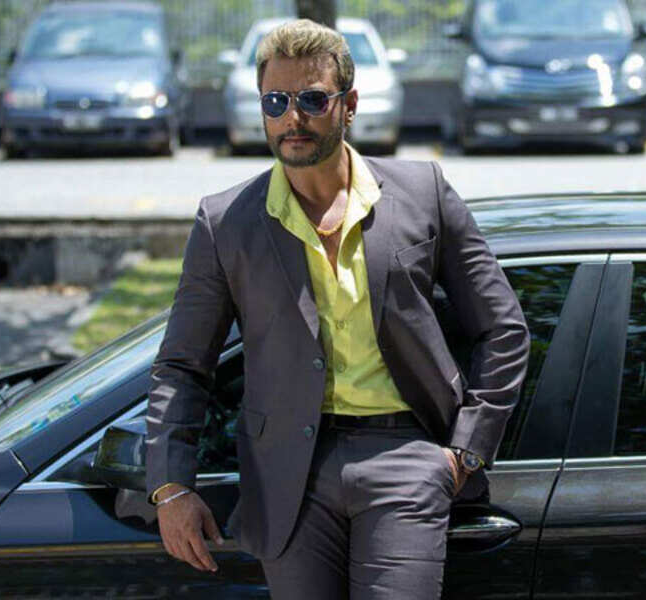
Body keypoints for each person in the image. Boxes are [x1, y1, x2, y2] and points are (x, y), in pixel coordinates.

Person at [145, 18, 530, 599]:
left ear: (348, 105)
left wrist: (465, 453)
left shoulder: (422, 191)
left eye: (311, 100)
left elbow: (502, 328)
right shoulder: (225, 222)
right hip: (287, 475)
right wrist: (171, 486)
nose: (292, 118)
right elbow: (182, 365)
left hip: (406, 455)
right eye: (275, 102)